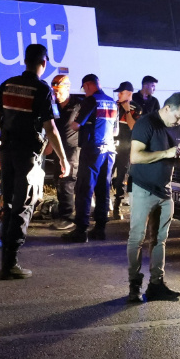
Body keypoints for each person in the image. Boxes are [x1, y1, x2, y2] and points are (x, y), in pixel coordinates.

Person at [0, 44, 67, 280]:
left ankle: (6, 261)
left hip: (7, 152)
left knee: (10, 204)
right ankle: (10, 263)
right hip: (28, 157)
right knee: (24, 205)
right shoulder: (42, 89)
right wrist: (63, 159)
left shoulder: (7, 84)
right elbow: (51, 128)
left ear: (25, 61)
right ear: (43, 63)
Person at [126, 92, 180, 304]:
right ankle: (134, 286)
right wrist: (167, 153)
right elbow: (135, 157)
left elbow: (172, 159)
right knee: (137, 238)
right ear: (167, 108)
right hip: (143, 188)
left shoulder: (179, 128)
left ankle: (156, 284)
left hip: (165, 190)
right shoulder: (146, 123)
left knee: (159, 240)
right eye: (179, 116)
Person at [64, 74, 119, 243]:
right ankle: (100, 229)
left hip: (92, 150)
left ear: (87, 85)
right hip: (109, 150)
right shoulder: (112, 101)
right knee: (103, 189)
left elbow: (75, 125)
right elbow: (116, 131)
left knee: (84, 189)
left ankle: (81, 230)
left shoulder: (90, 101)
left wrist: (75, 116)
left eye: (83, 88)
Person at [46, 74, 82, 232]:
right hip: (57, 149)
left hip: (72, 149)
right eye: (54, 91)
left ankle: (67, 217)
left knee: (66, 181)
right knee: (58, 181)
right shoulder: (53, 105)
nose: (56, 95)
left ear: (68, 88)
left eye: (59, 91)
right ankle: (63, 213)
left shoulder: (78, 105)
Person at [110, 81, 137, 221]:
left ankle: (117, 207)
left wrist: (127, 110)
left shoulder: (136, 108)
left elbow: (133, 127)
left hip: (126, 149)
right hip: (111, 146)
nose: (118, 95)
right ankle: (104, 206)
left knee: (121, 179)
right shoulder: (114, 105)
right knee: (105, 176)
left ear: (129, 94)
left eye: (121, 93)